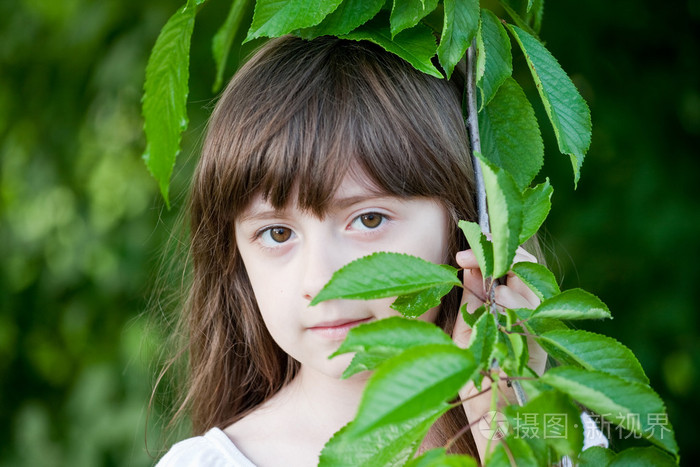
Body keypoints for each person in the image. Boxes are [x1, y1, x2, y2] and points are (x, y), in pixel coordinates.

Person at [155, 34, 551, 466]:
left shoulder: (550, 436)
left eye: (369, 220)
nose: (320, 281)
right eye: (277, 234)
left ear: (465, 221)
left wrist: (508, 427)